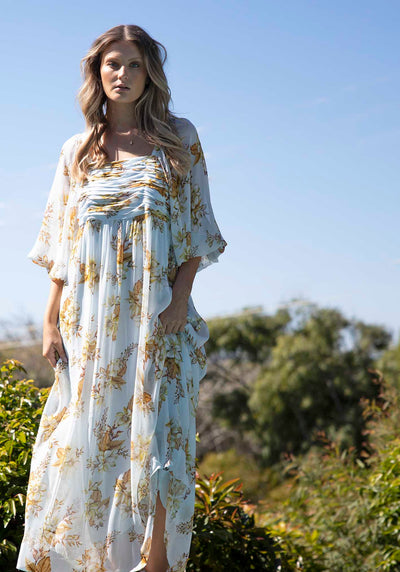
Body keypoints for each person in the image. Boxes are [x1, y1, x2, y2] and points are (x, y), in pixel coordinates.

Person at [16, 23, 227, 572]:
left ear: (150, 73)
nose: (123, 74)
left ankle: (155, 564)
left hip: (157, 315)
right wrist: (50, 321)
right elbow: (61, 245)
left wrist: (179, 301)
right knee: (84, 437)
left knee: (158, 436)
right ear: (97, 72)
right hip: (89, 321)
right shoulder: (77, 151)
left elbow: (197, 229)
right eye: (113, 64)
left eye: (134, 64)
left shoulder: (178, 139)